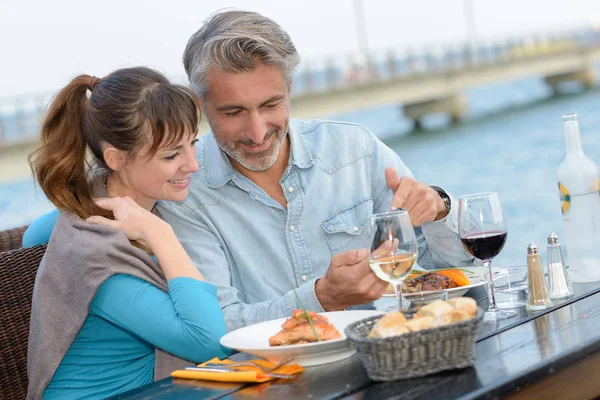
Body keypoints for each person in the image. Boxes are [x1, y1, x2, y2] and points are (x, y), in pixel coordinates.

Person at [155, 9, 476, 332]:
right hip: (267, 376)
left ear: (290, 87)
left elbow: (457, 269)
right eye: (234, 112)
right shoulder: (182, 193)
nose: (257, 132)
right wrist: (321, 298)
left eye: (270, 105)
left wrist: (438, 207)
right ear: (200, 104)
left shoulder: (355, 150)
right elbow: (216, 325)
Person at [26, 67, 229, 400]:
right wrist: (160, 235)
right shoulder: (101, 260)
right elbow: (208, 342)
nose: (193, 164)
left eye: (192, 144)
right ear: (116, 158)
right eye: (171, 154)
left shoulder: (100, 205)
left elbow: (33, 237)